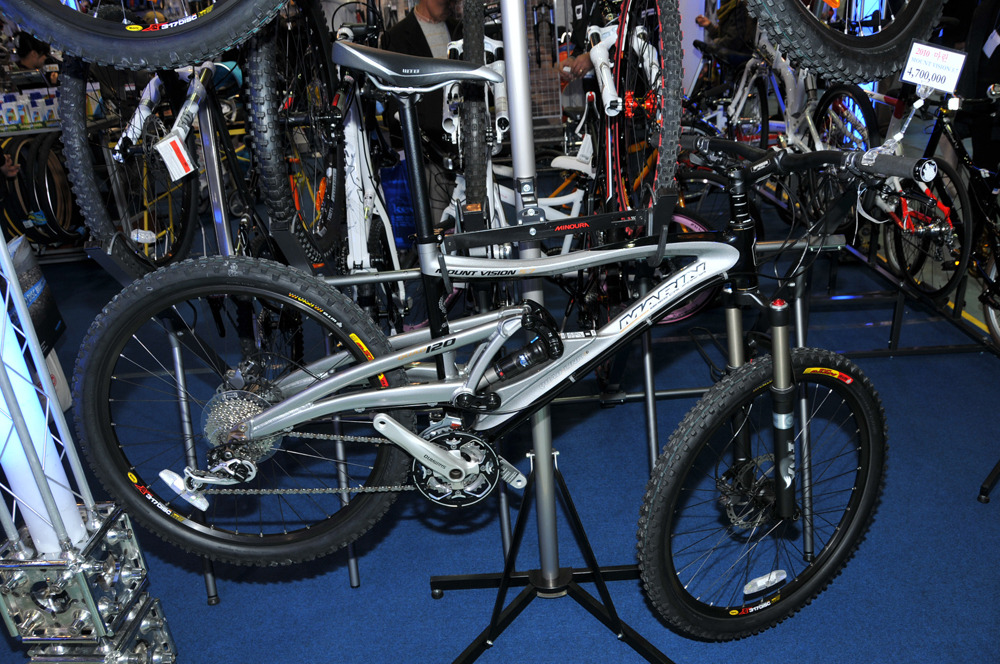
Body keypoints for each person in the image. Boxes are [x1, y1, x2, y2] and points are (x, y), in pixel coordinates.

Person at [383, 0, 461, 228]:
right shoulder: (397, 37)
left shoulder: (460, 30)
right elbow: (394, 99)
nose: (449, 3)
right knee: (438, 225)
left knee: (472, 218)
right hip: (429, 150)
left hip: (465, 146)